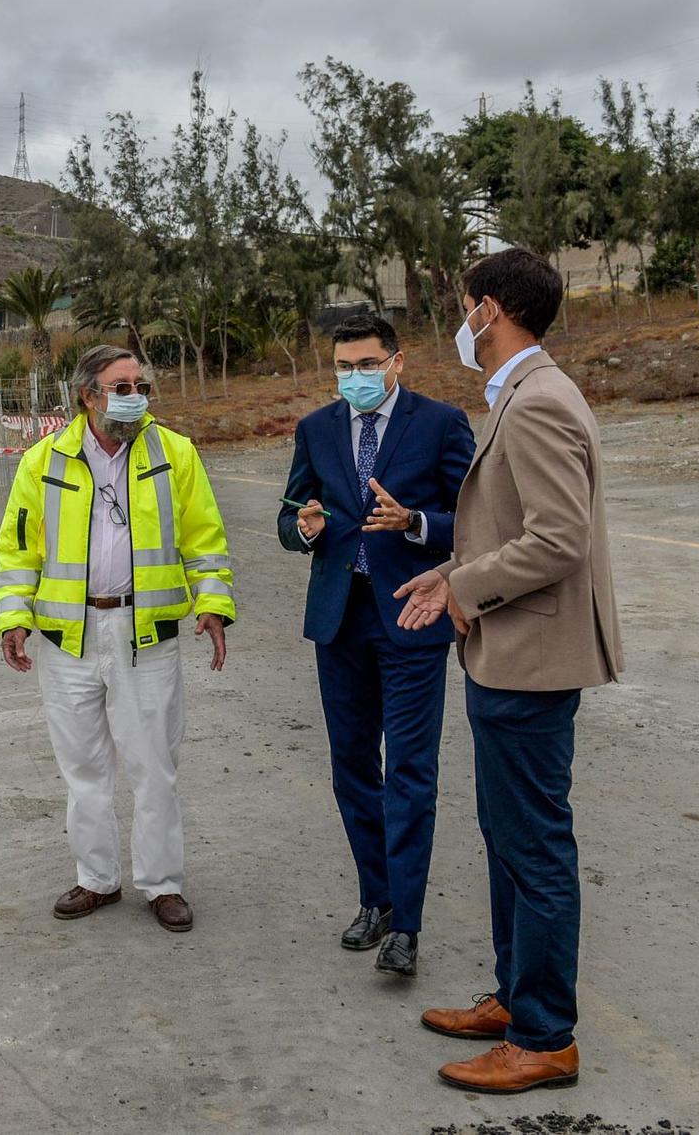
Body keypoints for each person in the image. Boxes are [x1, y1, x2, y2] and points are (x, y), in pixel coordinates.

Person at [393, 248, 622, 1094]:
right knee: (507, 838)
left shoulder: (537, 403)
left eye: (465, 307)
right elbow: (511, 526)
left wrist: (466, 585)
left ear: (489, 310)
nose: (462, 322)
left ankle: (545, 1035)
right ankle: (515, 995)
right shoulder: (521, 396)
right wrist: (449, 572)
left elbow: (558, 538)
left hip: (531, 656)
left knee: (534, 845)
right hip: (508, 648)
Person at [0, 344, 235, 933]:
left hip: (145, 631)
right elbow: (18, 549)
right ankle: (96, 878)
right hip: (67, 638)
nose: (135, 394)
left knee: (154, 764)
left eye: (139, 384)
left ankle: (162, 884)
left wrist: (213, 605)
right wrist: (13, 616)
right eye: (121, 386)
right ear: (88, 395)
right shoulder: (44, 461)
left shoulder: (173, 453)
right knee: (83, 767)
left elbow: (204, 539)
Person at [278, 314, 474, 977]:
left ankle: (408, 928)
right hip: (340, 617)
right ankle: (377, 897)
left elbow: (476, 519)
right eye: (343, 366)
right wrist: (302, 527)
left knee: (410, 773)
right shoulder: (317, 428)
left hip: (412, 613)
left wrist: (416, 521)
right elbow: (289, 512)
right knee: (352, 766)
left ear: (397, 361)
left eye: (366, 364)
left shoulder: (441, 424)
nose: (353, 377)